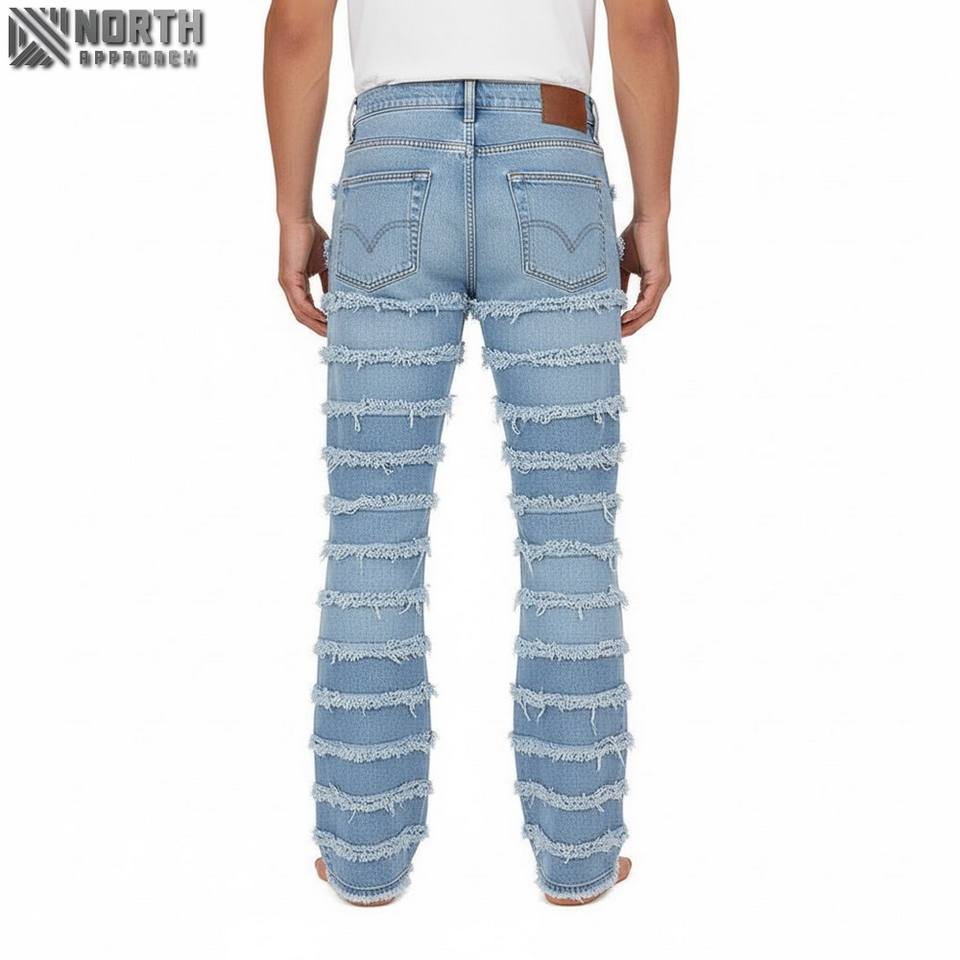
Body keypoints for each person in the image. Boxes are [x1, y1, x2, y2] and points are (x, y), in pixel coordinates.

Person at [264, 0, 678, 907]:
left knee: (373, 540)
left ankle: (363, 856)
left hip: (390, 162)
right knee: (571, 541)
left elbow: (296, 25)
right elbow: (643, 22)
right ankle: (579, 857)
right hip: (553, 157)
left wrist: (292, 211)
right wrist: (653, 210)